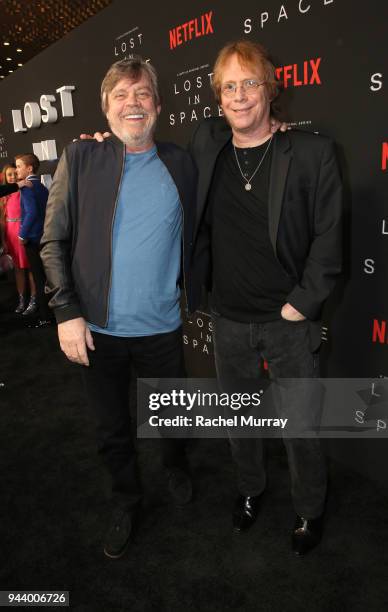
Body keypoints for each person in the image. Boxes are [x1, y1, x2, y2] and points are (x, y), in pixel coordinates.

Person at [189, 40, 342, 556]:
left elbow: (328, 236)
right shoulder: (207, 143)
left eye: (249, 83)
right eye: (229, 86)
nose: (239, 96)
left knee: (301, 428)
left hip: (287, 320)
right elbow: (144, 144)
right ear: (217, 98)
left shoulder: (312, 153)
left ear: (270, 89)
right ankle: (251, 491)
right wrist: (102, 143)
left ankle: (310, 509)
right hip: (228, 318)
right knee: (239, 422)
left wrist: (303, 302)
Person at [40, 57, 198, 559]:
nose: (134, 104)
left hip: (163, 328)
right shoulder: (82, 157)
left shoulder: (181, 162)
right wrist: (65, 311)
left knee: (172, 418)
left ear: (158, 105)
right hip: (98, 331)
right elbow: (52, 240)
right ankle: (127, 501)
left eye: (143, 94)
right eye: (122, 96)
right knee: (111, 430)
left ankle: (175, 467)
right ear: (106, 107)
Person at [15, 154, 51, 326]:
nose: (16, 170)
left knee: (38, 278)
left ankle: (45, 317)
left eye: (19, 166)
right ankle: (49, 313)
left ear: (29, 168)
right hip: (44, 237)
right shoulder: (42, 187)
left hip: (32, 239)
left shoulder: (26, 187)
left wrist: (22, 235)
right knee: (45, 277)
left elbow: (31, 213)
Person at [1, 164, 36, 314]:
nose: (13, 177)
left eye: (15, 173)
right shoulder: (4, 196)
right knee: (17, 269)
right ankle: (22, 299)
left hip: (23, 232)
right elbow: (2, 220)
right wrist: (3, 240)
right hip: (10, 234)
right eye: (9, 174)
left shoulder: (25, 190)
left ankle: (33, 300)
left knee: (30, 267)